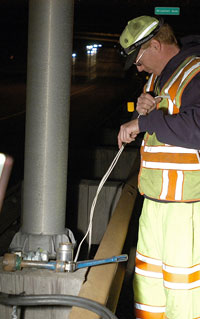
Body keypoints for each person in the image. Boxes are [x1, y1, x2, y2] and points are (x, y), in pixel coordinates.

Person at [117, 15, 200, 319]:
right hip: (155, 201)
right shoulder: (157, 79)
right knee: (150, 286)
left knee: (184, 290)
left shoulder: (195, 73)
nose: (137, 69)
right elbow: (167, 119)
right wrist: (147, 106)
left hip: (186, 207)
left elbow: (198, 128)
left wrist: (144, 121)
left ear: (154, 44)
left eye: (138, 60)